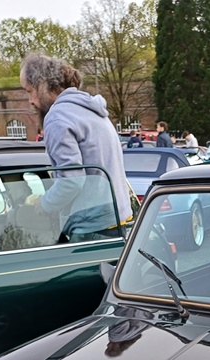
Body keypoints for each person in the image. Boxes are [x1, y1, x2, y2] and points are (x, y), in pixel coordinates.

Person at [19, 52, 132, 235]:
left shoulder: (58, 118)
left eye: (29, 91)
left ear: (41, 85)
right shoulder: (91, 110)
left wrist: (44, 203)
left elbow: (71, 181)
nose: (30, 101)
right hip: (118, 216)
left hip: (91, 225)